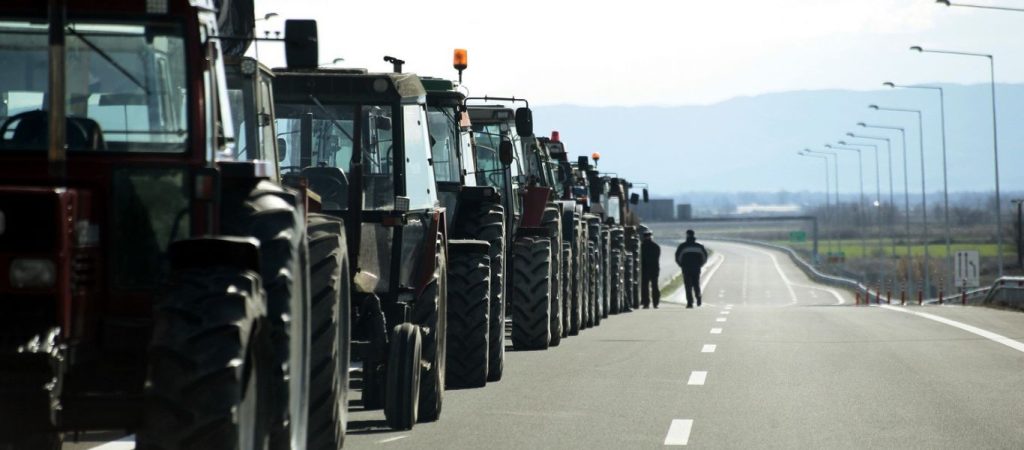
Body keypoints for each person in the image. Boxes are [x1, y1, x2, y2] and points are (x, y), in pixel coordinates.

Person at [675, 229, 708, 308]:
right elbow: (704, 257)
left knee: (688, 285)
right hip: (696, 268)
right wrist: (700, 265)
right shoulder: (699, 246)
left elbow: (678, 258)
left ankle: (690, 302)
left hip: (686, 269)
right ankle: (698, 298)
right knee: (696, 284)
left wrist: (682, 265)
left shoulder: (682, 246)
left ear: (687, 235)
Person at [640, 228, 661, 308]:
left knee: (645, 287)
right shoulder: (656, 246)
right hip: (654, 268)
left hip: (645, 269)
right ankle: (656, 303)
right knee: (655, 286)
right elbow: (657, 257)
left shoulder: (641, 247)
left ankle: (646, 303)